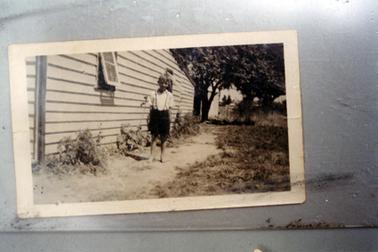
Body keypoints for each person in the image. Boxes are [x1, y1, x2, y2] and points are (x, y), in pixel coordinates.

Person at [146, 74, 174, 162]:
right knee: (154, 136)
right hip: (155, 114)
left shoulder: (169, 95)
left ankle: (163, 156)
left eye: (165, 83)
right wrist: (149, 117)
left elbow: (170, 109)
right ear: (158, 83)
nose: (163, 85)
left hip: (165, 115)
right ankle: (152, 155)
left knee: (164, 137)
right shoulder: (153, 93)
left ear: (168, 84)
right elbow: (150, 107)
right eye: (161, 83)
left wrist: (170, 119)